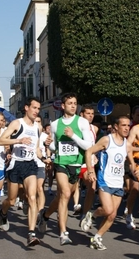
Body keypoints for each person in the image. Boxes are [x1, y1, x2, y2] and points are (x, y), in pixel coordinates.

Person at [37, 92, 93, 246]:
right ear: (63, 106)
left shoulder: (82, 122)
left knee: (61, 197)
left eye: (75, 103)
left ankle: (46, 215)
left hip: (76, 165)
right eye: (70, 103)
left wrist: (74, 136)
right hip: (61, 163)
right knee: (66, 194)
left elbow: (89, 146)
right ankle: (63, 233)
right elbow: (56, 148)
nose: (73, 106)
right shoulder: (55, 124)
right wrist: (49, 144)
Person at [81, 115, 136, 250]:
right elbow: (89, 152)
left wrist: (134, 168)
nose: (127, 128)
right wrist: (90, 170)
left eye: (128, 125)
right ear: (116, 127)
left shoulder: (127, 144)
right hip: (105, 180)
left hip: (118, 183)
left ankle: (97, 237)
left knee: (112, 215)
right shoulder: (107, 140)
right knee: (108, 209)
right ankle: (92, 215)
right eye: (124, 125)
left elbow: (131, 162)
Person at [0, 97, 44, 247]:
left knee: (32, 196)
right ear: (26, 108)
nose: (36, 111)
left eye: (38, 109)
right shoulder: (17, 123)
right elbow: (0, 141)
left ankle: (31, 234)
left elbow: (36, 149)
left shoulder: (38, 127)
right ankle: (3, 213)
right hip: (16, 165)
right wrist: (18, 141)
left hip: (30, 165)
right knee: (11, 200)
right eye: (34, 108)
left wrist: (45, 157)